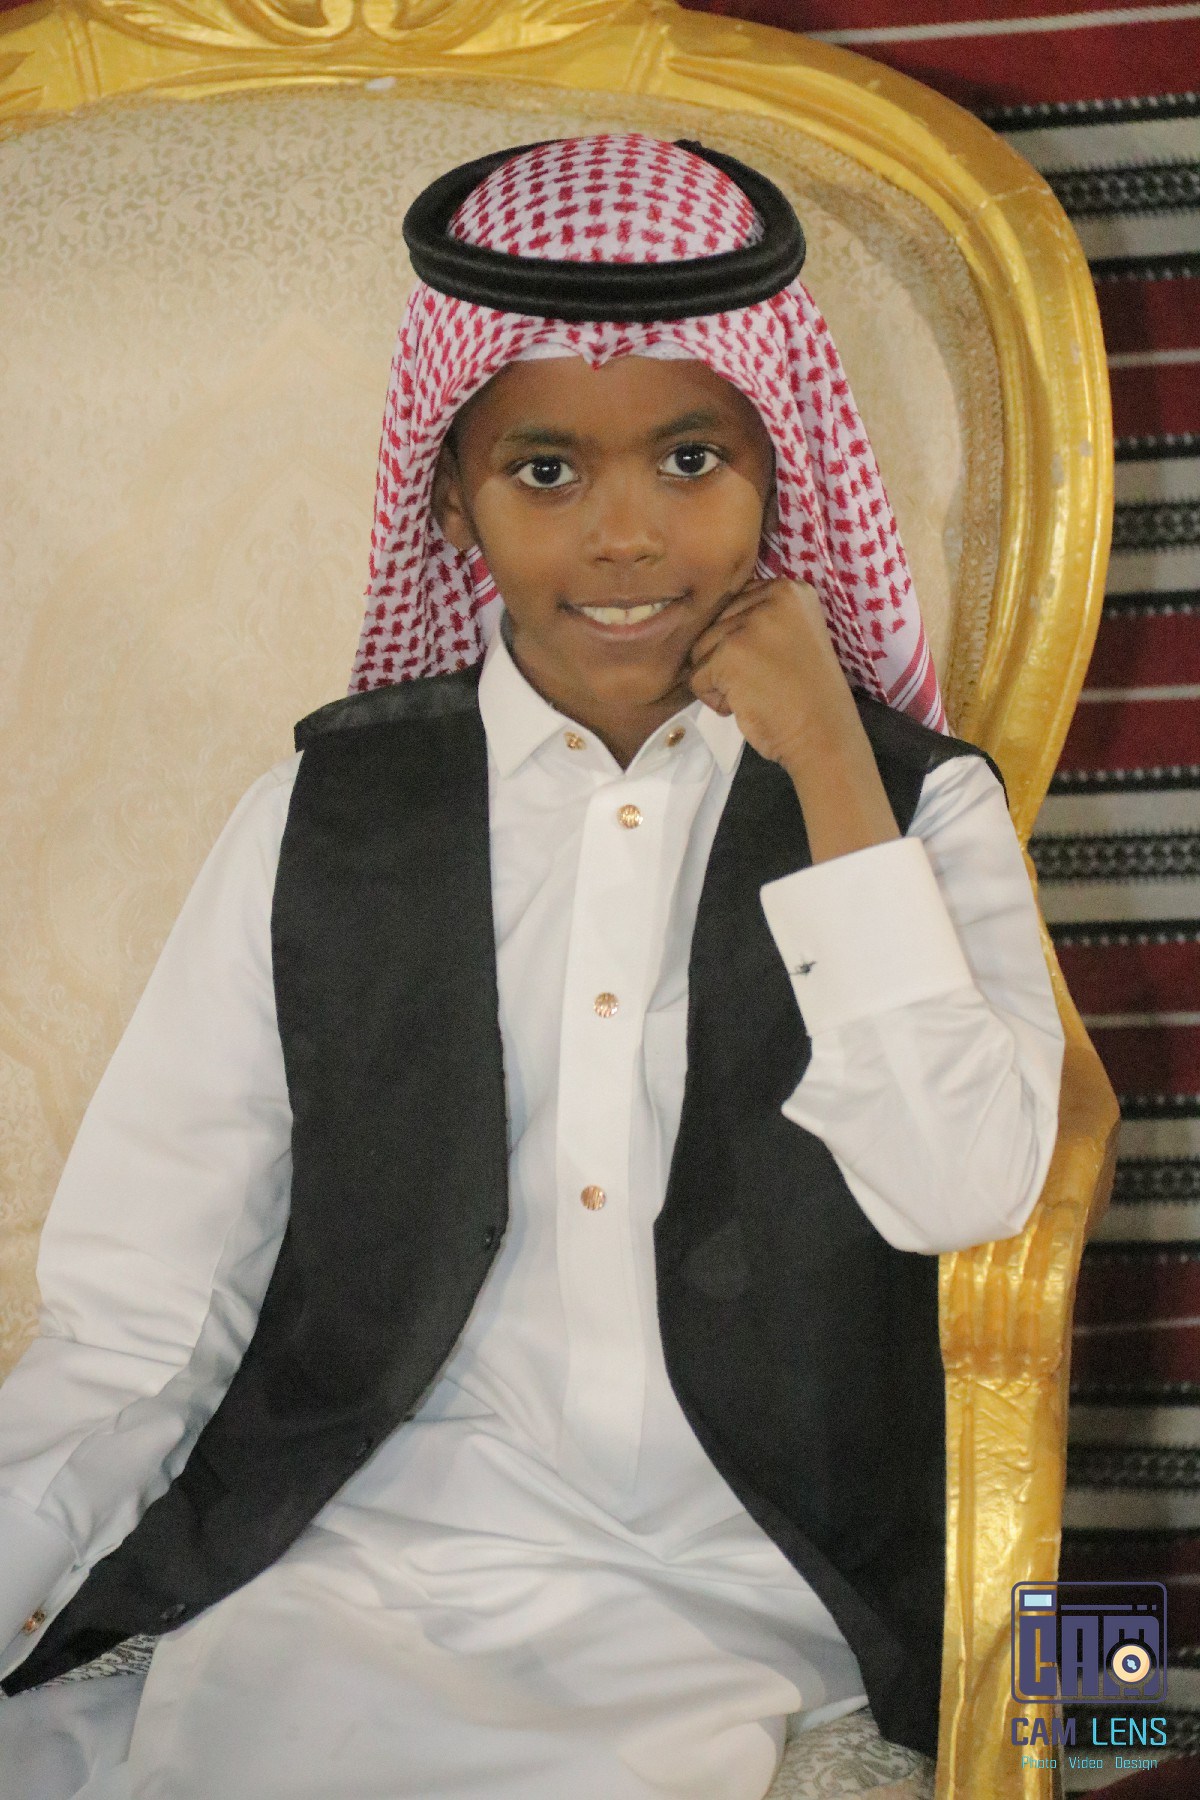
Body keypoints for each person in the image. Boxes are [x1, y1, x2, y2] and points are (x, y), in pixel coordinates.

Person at [0, 133, 1064, 1799]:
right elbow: (149, 1302)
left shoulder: (919, 807)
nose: (625, 536)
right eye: (548, 471)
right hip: (365, 1547)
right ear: (453, 497)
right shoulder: (326, 820)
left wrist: (828, 770)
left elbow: (963, 1187)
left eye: (692, 459)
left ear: (780, 471)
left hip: (757, 1572)